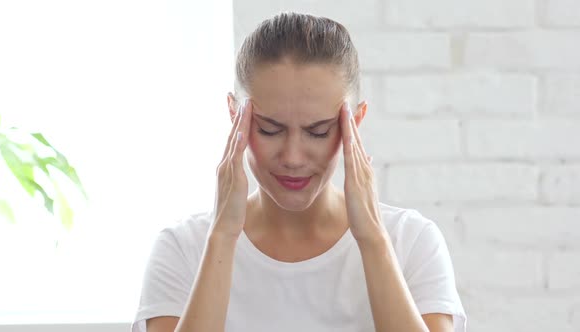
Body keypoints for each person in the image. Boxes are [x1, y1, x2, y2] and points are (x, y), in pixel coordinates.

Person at [131, 12, 467, 332]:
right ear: (236, 117)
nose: (292, 157)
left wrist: (372, 240)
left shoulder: (411, 242)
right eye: (269, 130)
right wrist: (223, 235)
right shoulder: (182, 249)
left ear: (355, 123)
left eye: (318, 132)